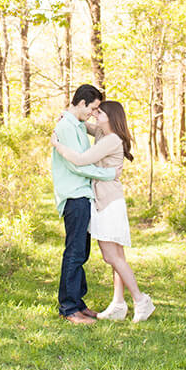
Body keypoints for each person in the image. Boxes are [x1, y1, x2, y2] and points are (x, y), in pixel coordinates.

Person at [51, 100, 155, 323]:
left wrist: (57, 145)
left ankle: (141, 299)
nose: (94, 115)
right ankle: (119, 304)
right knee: (117, 256)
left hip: (108, 202)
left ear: (111, 117)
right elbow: (82, 125)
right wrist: (68, 117)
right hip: (107, 199)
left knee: (111, 256)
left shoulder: (111, 140)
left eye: (99, 112)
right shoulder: (101, 132)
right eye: (93, 110)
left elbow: (80, 159)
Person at [50, 84, 117, 325]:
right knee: (75, 253)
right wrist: (109, 174)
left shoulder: (75, 123)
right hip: (74, 196)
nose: (93, 113)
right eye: (93, 108)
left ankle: (77, 302)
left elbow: (96, 130)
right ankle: (68, 309)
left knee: (82, 252)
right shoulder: (65, 127)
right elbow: (76, 164)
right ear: (81, 103)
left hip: (83, 195)